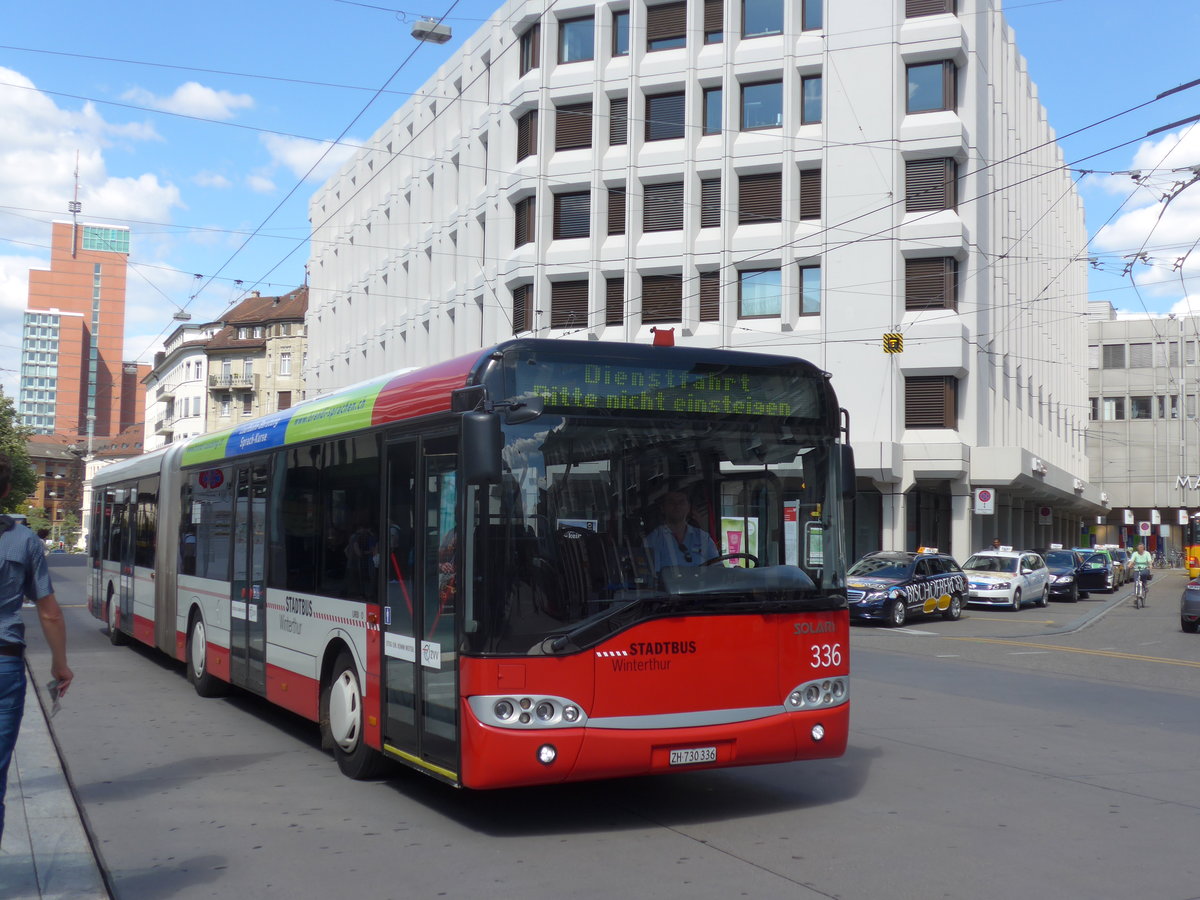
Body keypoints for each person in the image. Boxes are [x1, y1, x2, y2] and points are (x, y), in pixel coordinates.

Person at [0, 452, 73, 846]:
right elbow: (50, 613)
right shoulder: (24, 539)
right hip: (3, 665)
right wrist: (60, 665)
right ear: (8, 490)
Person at [645, 490, 719, 572]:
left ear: (688, 507)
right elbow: (651, 576)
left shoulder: (703, 538)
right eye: (671, 502)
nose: (677, 506)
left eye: (681, 502)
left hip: (699, 584)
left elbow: (717, 569)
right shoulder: (653, 540)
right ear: (663, 508)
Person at [1130, 542, 1153, 606]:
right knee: (1136, 582)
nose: (1140, 549)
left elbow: (1149, 561)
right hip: (1137, 569)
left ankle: (1145, 586)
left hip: (1145, 569)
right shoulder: (1135, 554)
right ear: (1137, 548)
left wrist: (1150, 565)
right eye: (1139, 547)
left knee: (1143, 576)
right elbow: (1132, 561)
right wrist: (1129, 565)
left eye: (1142, 547)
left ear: (1143, 548)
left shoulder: (1147, 553)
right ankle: (1136, 596)